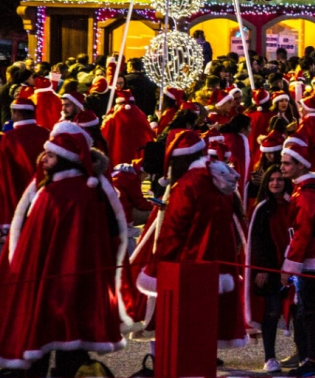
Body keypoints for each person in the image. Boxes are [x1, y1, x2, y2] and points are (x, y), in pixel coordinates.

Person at [0, 122, 130, 376]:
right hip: (81, 279)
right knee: (71, 339)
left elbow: (31, 237)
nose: (44, 159)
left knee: (41, 335)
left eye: (49, 155)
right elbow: (115, 231)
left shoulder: (54, 194)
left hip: (48, 279)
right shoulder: (90, 190)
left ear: (63, 159)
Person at [134, 129, 248, 351]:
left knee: (182, 339)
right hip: (216, 267)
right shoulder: (218, 180)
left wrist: (156, 268)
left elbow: (173, 232)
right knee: (204, 338)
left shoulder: (188, 185)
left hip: (186, 270)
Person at [280, 143, 315, 377]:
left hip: (314, 260)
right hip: (313, 258)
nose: (282, 167)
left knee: (312, 312)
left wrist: (289, 266)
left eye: (286, 163)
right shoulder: (306, 189)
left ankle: (314, 360)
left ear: (300, 164)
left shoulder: (308, 194)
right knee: (309, 310)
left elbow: (302, 233)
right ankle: (313, 358)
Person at [245, 165, 292, 374]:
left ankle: (305, 353)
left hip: (293, 267)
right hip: (271, 268)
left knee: (298, 313)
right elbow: (257, 240)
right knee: (272, 312)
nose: (275, 183)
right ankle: (270, 356)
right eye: (271, 179)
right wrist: (262, 269)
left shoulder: (293, 203)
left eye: (279, 179)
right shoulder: (262, 208)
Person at [0, 98, 49, 241]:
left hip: (18, 190)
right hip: (42, 190)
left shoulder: (9, 138)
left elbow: (5, 173)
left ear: (16, 113)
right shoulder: (46, 133)